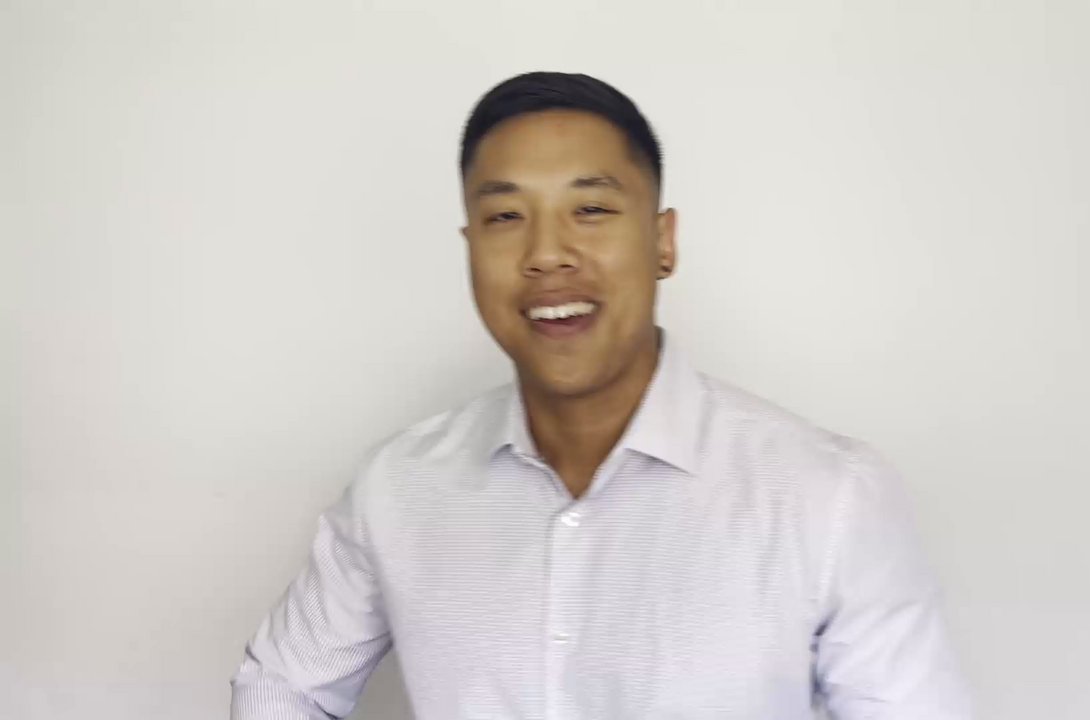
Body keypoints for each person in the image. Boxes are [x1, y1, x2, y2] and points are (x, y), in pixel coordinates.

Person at [230, 71, 971, 719]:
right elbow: (283, 686)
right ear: (471, 249)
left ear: (663, 241)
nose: (547, 253)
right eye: (506, 217)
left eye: (590, 210)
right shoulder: (398, 487)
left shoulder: (828, 496)